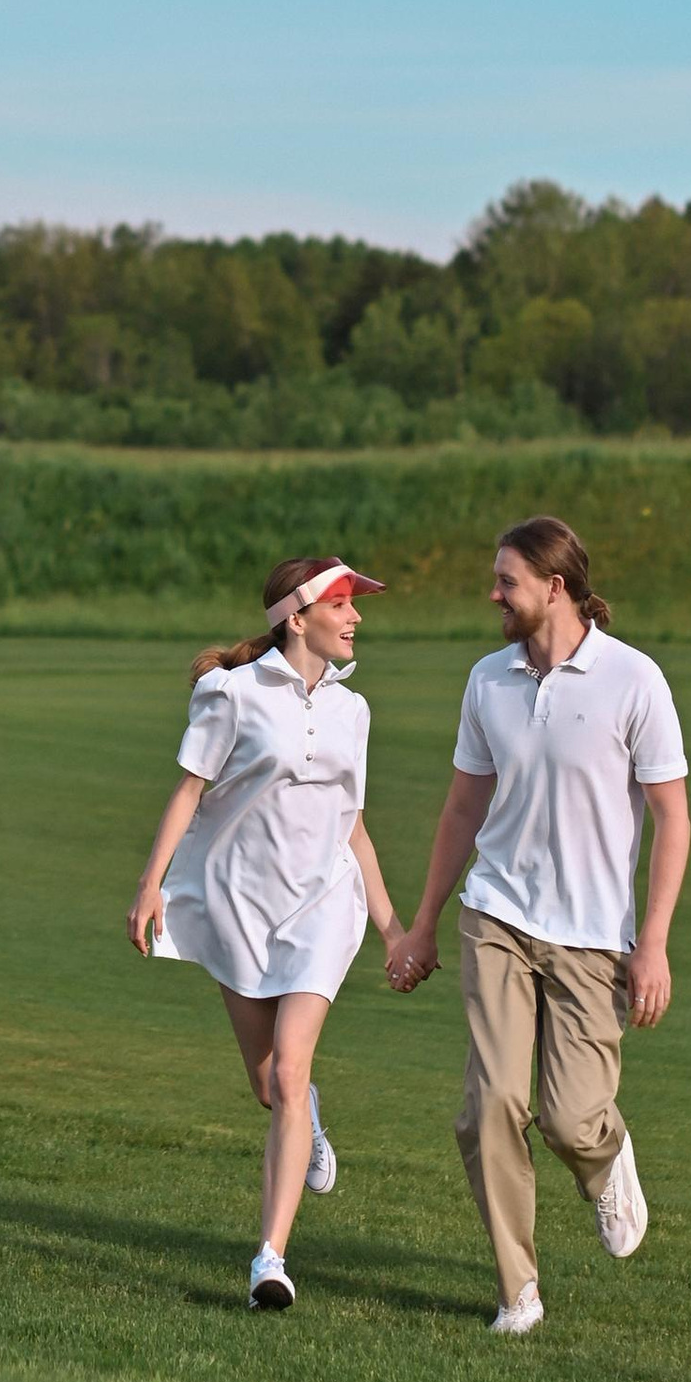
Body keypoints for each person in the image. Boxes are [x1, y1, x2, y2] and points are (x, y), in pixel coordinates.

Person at [390, 516, 690, 1338]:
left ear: (554, 587)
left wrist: (653, 941)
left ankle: (604, 1156)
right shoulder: (489, 680)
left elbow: (673, 818)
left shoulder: (634, 680)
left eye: (507, 581)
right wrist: (422, 924)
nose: (494, 594)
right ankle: (517, 1289)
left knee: (568, 1115)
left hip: (594, 934)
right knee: (489, 1103)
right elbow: (462, 805)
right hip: (497, 915)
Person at [127, 554, 411, 1310]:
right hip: (237, 904)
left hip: (321, 906)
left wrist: (392, 927)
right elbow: (190, 789)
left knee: (288, 1071)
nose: (355, 618)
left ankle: (270, 1259)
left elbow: (353, 828)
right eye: (342, 604)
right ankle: (306, 1116)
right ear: (297, 616)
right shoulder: (232, 693)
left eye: (355, 605)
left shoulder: (354, 711)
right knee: (269, 1085)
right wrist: (152, 883)